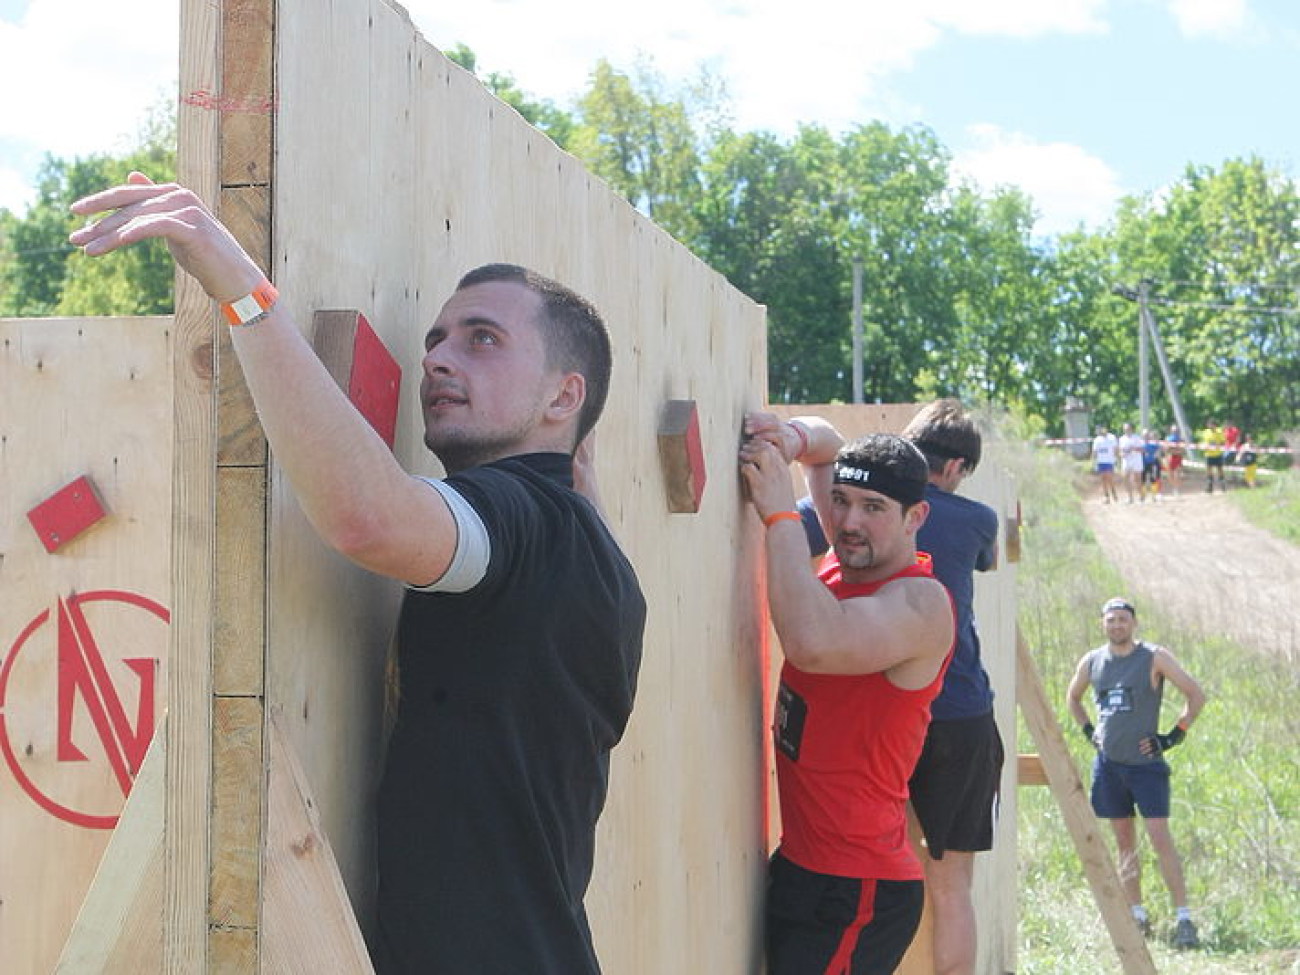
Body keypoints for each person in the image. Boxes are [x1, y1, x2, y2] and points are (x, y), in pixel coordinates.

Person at [69, 175, 647, 973]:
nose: (440, 358)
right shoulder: (597, 555)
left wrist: (240, 287)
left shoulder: (524, 520)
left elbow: (369, 517)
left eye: (482, 338)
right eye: (435, 340)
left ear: (563, 394)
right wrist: (580, 443)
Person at [739, 413, 955, 975]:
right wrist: (792, 439)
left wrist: (781, 512)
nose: (848, 521)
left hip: (856, 888)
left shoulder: (921, 605)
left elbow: (812, 642)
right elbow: (827, 441)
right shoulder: (843, 568)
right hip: (805, 868)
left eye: (874, 508)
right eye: (840, 500)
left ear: (917, 517)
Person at [897, 399, 1004, 975]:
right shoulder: (977, 519)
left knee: (875, 865)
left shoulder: (881, 507)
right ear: (958, 466)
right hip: (960, 713)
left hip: (888, 708)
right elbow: (984, 558)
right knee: (952, 884)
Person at [1066, 597, 1206, 950]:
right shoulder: (1093, 661)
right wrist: (1088, 732)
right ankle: (1137, 915)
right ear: (1103, 623)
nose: (1117, 626)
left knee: (1160, 839)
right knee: (1124, 843)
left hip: (1146, 769)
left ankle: (1184, 917)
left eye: (1123, 620)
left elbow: (1195, 694)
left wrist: (1172, 737)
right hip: (1109, 766)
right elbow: (1073, 699)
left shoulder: (1154, 657)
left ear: (1134, 623)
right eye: (1111, 620)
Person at [1117, 423, 1145, 503]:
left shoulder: (1137, 438)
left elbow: (1143, 450)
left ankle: (1141, 495)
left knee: (1137, 479)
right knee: (1125, 478)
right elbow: (1120, 451)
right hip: (1126, 460)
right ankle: (1130, 497)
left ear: (1132, 429)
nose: (1126, 430)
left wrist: (1134, 449)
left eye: (1128, 428)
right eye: (1125, 429)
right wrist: (1121, 454)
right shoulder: (1122, 439)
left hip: (1136, 460)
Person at [1091, 426, 1119, 503]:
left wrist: (1116, 459)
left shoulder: (1112, 437)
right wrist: (1093, 462)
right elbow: (1094, 451)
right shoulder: (1097, 440)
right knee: (1103, 479)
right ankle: (1106, 496)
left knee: (1110, 478)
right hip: (1101, 462)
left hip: (1109, 461)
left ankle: (1114, 494)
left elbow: (1116, 449)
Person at [1199, 420, 1226, 493]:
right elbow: (1203, 442)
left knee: (1220, 470)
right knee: (1209, 471)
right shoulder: (1205, 432)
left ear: (1214, 425)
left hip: (1218, 454)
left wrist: (1218, 445)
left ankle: (1223, 485)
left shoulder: (1219, 432)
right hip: (1209, 455)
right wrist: (1203, 445)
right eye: (1208, 425)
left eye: (1211, 425)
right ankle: (1209, 487)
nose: (1210, 426)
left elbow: (1223, 442)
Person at [1140, 429, 1163, 502]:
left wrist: (1157, 454)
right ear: (1142, 436)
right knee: (1143, 479)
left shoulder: (1153, 444)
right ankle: (1143, 495)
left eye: (1147, 435)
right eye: (1144, 435)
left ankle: (1154, 496)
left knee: (1153, 479)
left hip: (1152, 463)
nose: (1146, 437)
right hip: (1143, 463)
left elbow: (1160, 448)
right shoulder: (1140, 444)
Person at [1163, 425, 1185, 496]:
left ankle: (1176, 489)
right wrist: (1169, 452)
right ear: (1171, 431)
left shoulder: (1181, 439)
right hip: (1170, 458)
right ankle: (1174, 486)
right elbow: (1166, 449)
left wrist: (1174, 450)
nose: (1175, 432)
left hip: (1178, 458)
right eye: (1173, 430)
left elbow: (1182, 450)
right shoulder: (1168, 438)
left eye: (1176, 430)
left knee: (1177, 474)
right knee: (1169, 475)